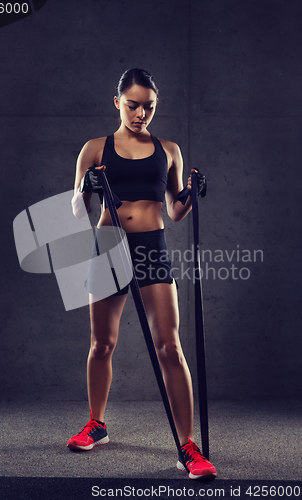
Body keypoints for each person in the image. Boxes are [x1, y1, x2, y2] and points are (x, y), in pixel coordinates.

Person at [67, 68, 217, 480]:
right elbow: (77, 211)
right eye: (132, 105)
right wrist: (88, 187)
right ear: (117, 102)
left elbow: (174, 210)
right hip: (109, 245)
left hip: (152, 246)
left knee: (170, 345)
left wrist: (190, 193)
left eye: (148, 106)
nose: (140, 113)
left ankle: (188, 447)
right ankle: (97, 424)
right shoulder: (95, 148)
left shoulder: (168, 149)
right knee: (102, 344)